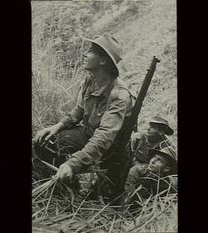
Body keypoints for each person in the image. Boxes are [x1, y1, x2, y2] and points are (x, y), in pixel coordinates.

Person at [32, 33, 134, 200]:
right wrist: (57, 126)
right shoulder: (90, 80)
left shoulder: (119, 95)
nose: (85, 54)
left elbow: (104, 137)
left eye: (91, 51)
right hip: (89, 133)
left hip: (112, 150)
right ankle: (65, 188)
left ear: (103, 61)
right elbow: (80, 111)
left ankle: (73, 179)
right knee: (47, 142)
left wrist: (73, 163)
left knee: (107, 201)